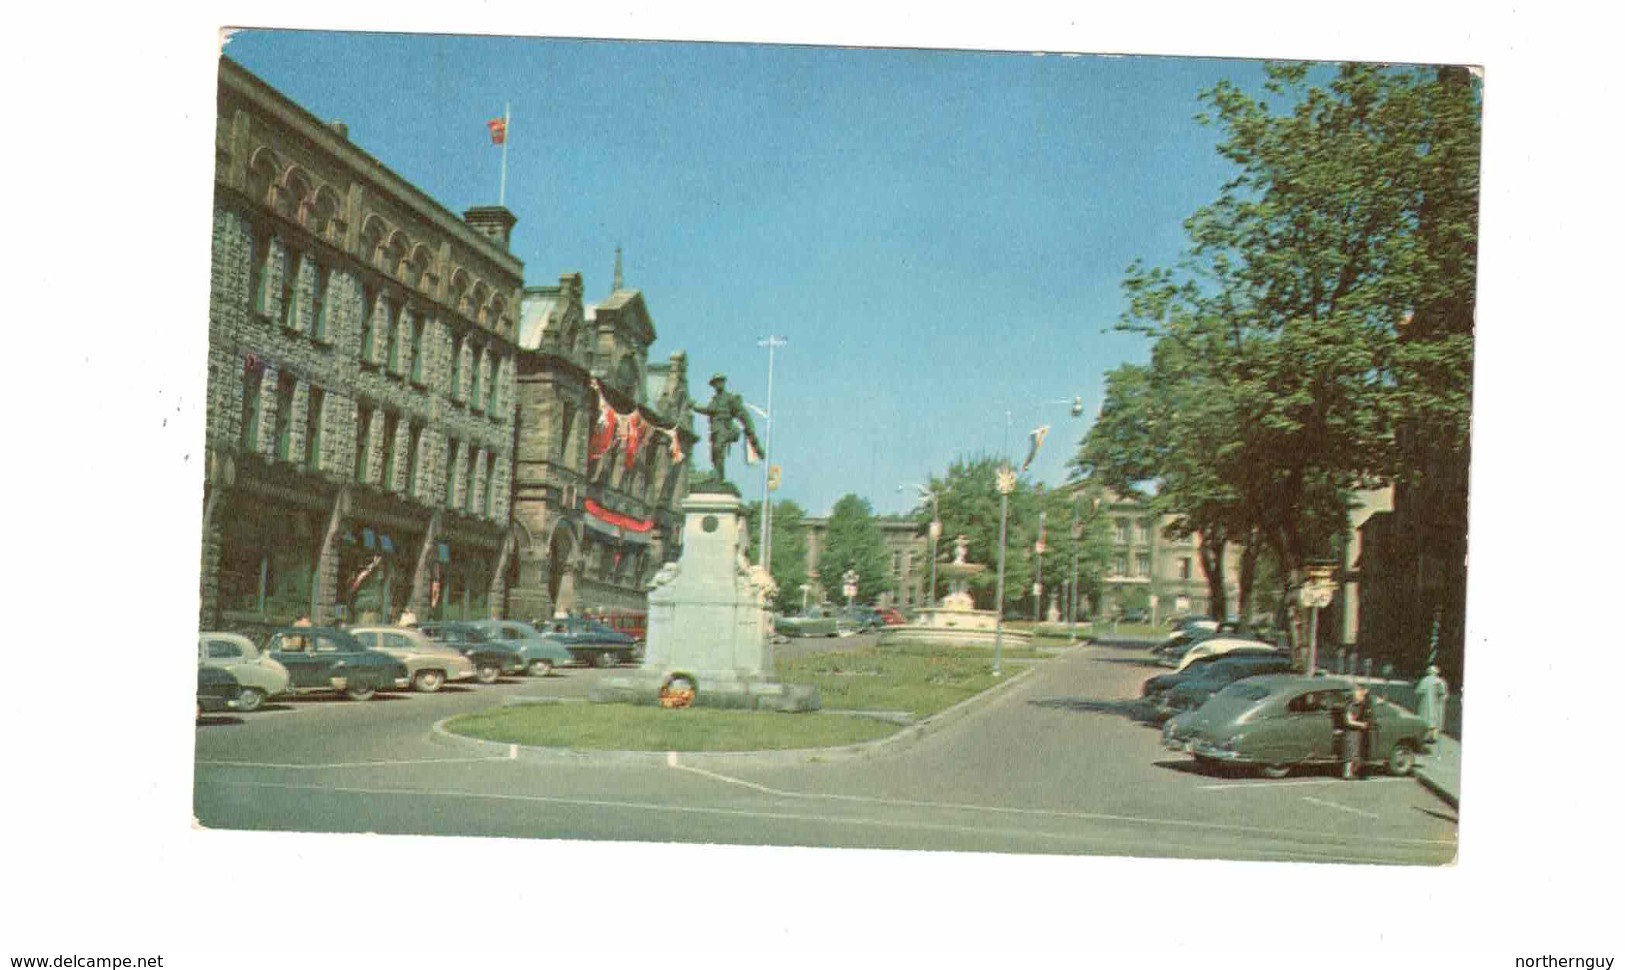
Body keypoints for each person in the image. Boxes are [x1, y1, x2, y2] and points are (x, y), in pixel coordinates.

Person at [690, 373, 763, 482]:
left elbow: (742, 414)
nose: (718, 384)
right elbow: (708, 410)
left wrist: (750, 430)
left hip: (725, 428)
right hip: (715, 429)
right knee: (714, 454)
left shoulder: (730, 398)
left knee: (718, 448)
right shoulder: (714, 400)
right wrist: (694, 407)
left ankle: (718, 475)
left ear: (724, 383)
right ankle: (718, 476)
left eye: (720, 381)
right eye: (716, 383)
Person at [1340, 685, 1374, 780]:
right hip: (1351, 732)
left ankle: (1351, 772)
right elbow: (1349, 721)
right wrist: (1361, 725)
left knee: (1355, 752)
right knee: (1350, 752)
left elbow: (1366, 703)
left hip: (1357, 732)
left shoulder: (1361, 705)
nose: (1362, 697)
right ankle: (1347, 772)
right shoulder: (1350, 706)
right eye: (1360, 695)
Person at [1415, 665, 1449, 747]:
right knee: (1436, 719)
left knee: (1426, 719)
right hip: (1437, 704)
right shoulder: (1440, 681)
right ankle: (1433, 737)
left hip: (1425, 703)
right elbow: (1444, 694)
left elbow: (1418, 692)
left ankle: (1424, 736)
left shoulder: (1424, 681)